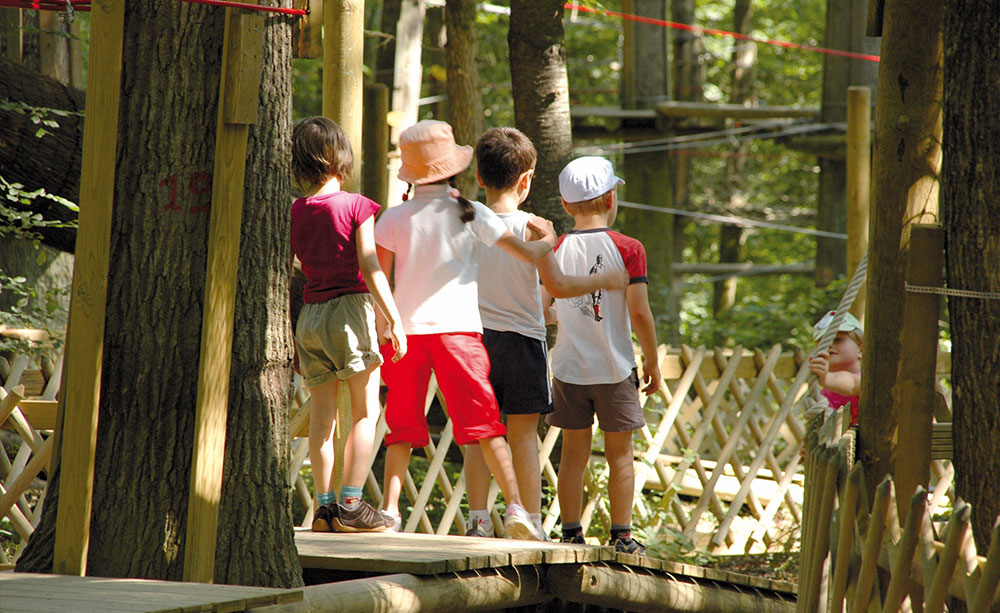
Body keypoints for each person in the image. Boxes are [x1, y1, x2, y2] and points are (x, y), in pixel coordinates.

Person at [373, 120, 556, 540]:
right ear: (454, 169)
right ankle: (517, 509)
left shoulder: (393, 217)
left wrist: (386, 324)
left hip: (406, 335)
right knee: (485, 424)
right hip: (460, 333)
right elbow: (527, 255)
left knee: (401, 426)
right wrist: (547, 242)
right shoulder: (470, 212)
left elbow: (379, 279)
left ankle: (390, 511)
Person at [462, 128, 628, 539]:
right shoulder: (535, 230)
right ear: (526, 180)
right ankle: (529, 519)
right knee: (522, 436)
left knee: (477, 436)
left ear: (480, 178)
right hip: (522, 341)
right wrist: (605, 279)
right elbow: (554, 289)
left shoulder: (465, 222)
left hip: (473, 341)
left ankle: (478, 519)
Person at [290, 116, 407, 533]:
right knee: (364, 412)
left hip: (310, 315)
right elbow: (370, 265)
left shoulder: (296, 210)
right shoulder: (357, 205)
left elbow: (295, 265)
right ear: (341, 158)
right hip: (350, 311)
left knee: (322, 419)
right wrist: (393, 318)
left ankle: (323, 510)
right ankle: (353, 505)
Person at [546, 156, 660, 555]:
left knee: (572, 456)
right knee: (620, 456)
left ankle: (571, 533)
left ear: (564, 205)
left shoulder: (555, 249)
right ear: (611, 198)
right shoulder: (629, 249)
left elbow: (544, 306)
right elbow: (640, 312)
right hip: (615, 367)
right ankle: (622, 536)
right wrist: (652, 359)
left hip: (569, 368)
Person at [808, 310, 863, 427]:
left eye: (837, 340)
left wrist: (825, 377)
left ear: (861, 349)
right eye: (823, 342)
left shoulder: (866, 379)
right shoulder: (824, 395)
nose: (829, 345)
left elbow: (852, 384)